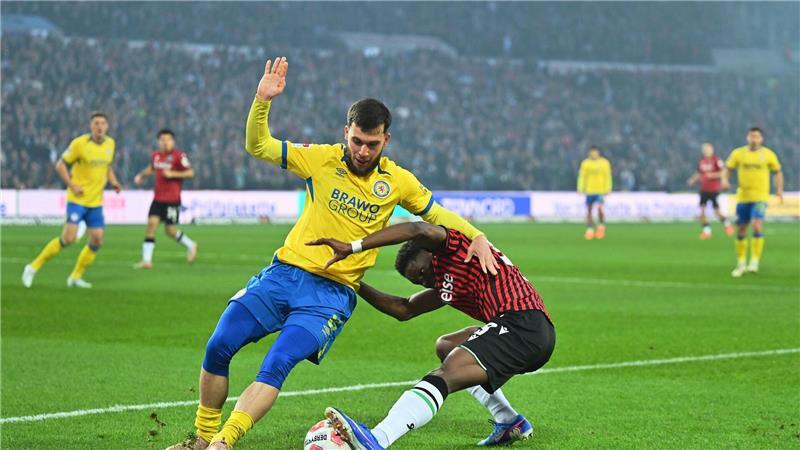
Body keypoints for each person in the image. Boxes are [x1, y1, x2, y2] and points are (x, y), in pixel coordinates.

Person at [167, 57, 499, 450]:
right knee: (218, 345)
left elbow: (436, 213)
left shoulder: (397, 181)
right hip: (283, 275)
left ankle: (225, 442)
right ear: (346, 132)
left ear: (385, 141)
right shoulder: (320, 158)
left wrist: (476, 235)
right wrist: (262, 101)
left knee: (276, 363)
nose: (361, 151)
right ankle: (204, 437)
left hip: (331, 296)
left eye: (371, 144)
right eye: (356, 141)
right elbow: (258, 145)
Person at [307, 221, 555, 449]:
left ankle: (378, 439)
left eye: (423, 272)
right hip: (524, 329)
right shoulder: (447, 282)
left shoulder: (456, 247)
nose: (426, 282)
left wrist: (354, 247)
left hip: (523, 324)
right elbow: (405, 309)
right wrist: (353, 283)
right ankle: (509, 420)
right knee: (447, 346)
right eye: (418, 282)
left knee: (446, 374)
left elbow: (417, 229)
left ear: (429, 250)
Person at [22, 112, 122, 289]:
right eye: (96, 123)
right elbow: (60, 164)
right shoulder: (79, 144)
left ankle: (75, 276)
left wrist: (113, 182)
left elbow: (107, 167)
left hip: (95, 202)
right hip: (77, 199)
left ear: (107, 126)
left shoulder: (110, 144)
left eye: (103, 123)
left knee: (97, 240)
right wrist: (71, 184)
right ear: (91, 126)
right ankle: (32, 267)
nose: (100, 127)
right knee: (68, 238)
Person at [133, 129, 197, 268]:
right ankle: (147, 261)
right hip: (158, 198)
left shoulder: (179, 156)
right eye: (162, 140)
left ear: (172, 141)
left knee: (170, 230)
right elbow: (151, 168)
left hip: (172, 199)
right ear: (159, 142)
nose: (165, 142)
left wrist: (173, 173)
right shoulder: (156, 156)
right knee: (151, 226)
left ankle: (191, 245)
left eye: (168, 139)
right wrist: (141, 176)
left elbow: (191, 173)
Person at [725, 127, 783, 277]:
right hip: (743, 197)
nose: (754, 139)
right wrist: (724, 180)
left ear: (761, 139)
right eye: (752, 136)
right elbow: (728, 168)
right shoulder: (738, 153)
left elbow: (778, 172)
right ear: (747, 138)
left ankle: (754, 261)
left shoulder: (768, 155)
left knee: (757, 225)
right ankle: (741, 263)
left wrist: (779, 190)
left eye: (757, 136)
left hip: (760, 197)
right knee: (742, 229)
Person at [686, 143, 733, 239]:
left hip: (713, 189)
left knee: (717, 212)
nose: (706, 151)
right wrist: (692, 180)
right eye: (704, 149)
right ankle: (707, 232)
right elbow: (699, 173)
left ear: (712, 150)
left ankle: (727, 225)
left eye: (708, 149)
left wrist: (712, 175)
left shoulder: (716, 160)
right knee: (702, 212)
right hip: (704, 189)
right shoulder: (702, 161)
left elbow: (723, 172)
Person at [577, 146, 612, 240]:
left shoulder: (604, 163)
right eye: (592, 152)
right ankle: (590, 230)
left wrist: (608, 188)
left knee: (600, 208)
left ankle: (601, 226)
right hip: (589, 190)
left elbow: (607, 176)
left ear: (598, 153)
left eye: (595, 152)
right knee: (589, 210)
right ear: (589, 153)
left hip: (600, 190)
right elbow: (582, 176)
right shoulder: (585, 163)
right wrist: (580, 188)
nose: (593, 154)